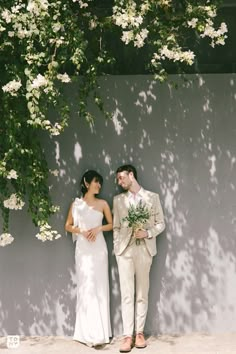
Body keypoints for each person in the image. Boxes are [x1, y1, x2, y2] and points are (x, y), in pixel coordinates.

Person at [113, 164, 165, 353]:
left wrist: (148, 233)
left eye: (121, 178)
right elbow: (116, 227)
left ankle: (140, 333)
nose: (119, 182)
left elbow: (161, 223)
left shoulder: (152, 198)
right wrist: (117, 248)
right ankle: (128, 336)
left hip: (144, 250)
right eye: (118, 179)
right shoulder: (118, 200)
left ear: (131, 175)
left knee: (142, 292)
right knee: (127, 294)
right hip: (124, 252)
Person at [65, 170, 113, 347]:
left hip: (99, 249)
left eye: (100, 183)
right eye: (95, 182)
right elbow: (68, 226)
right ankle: (86, 332)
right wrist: (82, 231)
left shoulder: (103, 203)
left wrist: (98, 229)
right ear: (86, 183)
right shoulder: (76, 205)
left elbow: (112, 224)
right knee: (86, 286)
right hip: (83, 249)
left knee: (99, 285)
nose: (98, 186)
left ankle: (100, 332)